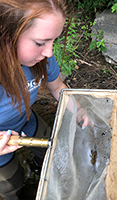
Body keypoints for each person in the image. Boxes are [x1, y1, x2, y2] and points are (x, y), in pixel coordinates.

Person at [0, 0, 91, 199]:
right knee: (11, 184)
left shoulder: (43, 59)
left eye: (53, 41)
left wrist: (79, 111)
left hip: (27, 121)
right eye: (40, 43)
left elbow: (58, 87)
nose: (49, 52)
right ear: (6, 34)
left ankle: (39, 166)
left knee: (53, 151)